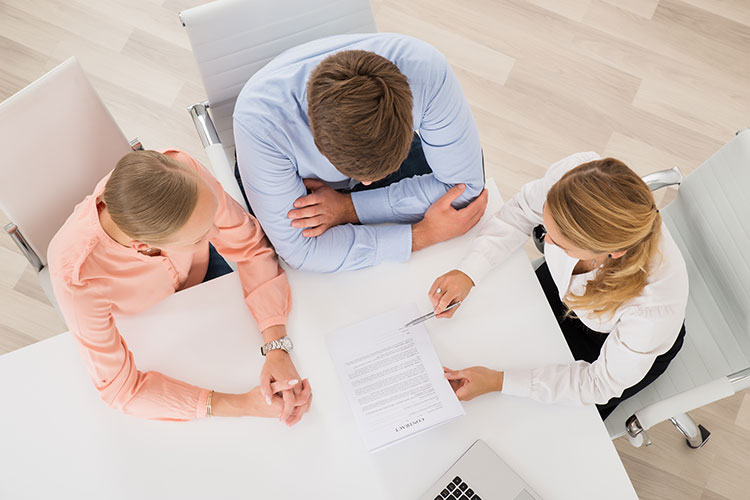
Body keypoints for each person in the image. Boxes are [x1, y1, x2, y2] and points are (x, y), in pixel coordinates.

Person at [48, 150, 311, 424]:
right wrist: (240, 404)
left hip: (205, 279)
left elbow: (248, 246)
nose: (218, 235)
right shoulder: (76, 278)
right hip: (147, 321)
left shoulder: (183, 173)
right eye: (200, 236)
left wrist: (276, 345)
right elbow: (122, 391)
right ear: (143, 247)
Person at [428, 153, 688, 419]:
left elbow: (599, 384)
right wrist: (469, 271)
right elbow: (519, 212)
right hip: (564, 291)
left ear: (613, 252)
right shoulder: (575, 178)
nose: (545, 242)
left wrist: (499, 382)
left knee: (540, 419)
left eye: (561, 244)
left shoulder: (651, 310)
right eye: (546, 228)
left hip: (607, 343)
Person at [234, 32, 488, 273]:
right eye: (365, 178)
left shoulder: (426, 70)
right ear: (317, 141)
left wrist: (348, 207)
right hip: (293, 177)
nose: (368, 184)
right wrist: (421, 236)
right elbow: (302, 252)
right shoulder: (260, 125)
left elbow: (465, 189)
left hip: (371, 155)